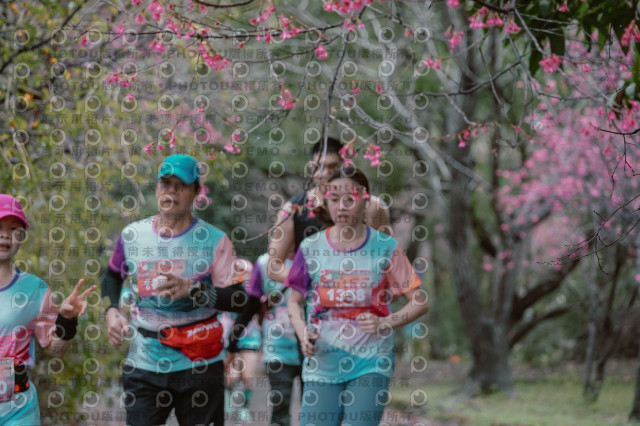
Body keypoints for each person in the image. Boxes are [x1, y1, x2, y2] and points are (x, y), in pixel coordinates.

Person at [101, 154, 258, 426]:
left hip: (200, 363)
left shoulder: (215, 240)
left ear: (196, 191)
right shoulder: (133, 236)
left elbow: (240, 299)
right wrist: (111, 311)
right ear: (156, 187)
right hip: (145, 362)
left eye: (180, 185)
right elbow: (111, 277)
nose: (171, 191)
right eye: (165, 183)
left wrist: (194, 289)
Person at [285, 165, 429, 426]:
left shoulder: (385, 247)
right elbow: (294, 302)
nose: (341, 207)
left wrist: (385, 322)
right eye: (334, 199)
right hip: (323, 363)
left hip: (370, 361)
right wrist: (302, 332)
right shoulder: (310, 247)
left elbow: (420, 301)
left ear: (365, 200)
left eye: (350, 199)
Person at [0, 194, 95, 425]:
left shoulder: (35, 289)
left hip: (18, 409)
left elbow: (56, 349)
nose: (5, 235)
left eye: (14, 229)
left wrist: (67, 320)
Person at [267, 137, 390, 284]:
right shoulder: (292, 210)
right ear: (311, 168)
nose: (325, 173)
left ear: (346, 165)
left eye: (333, 167)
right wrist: (317, 281)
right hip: (313, 295)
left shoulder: (371, 207)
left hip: (364, 292)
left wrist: (352, 281)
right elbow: (274, 267)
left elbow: (387, 261)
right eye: (318, 167)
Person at [245, 252, 301, 426]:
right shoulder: (263, 263)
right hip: (277, 349)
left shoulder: (313, 255)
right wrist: (233, 342)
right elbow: (252, 302)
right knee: (280, 406)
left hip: (313, 349)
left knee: (314, 410)